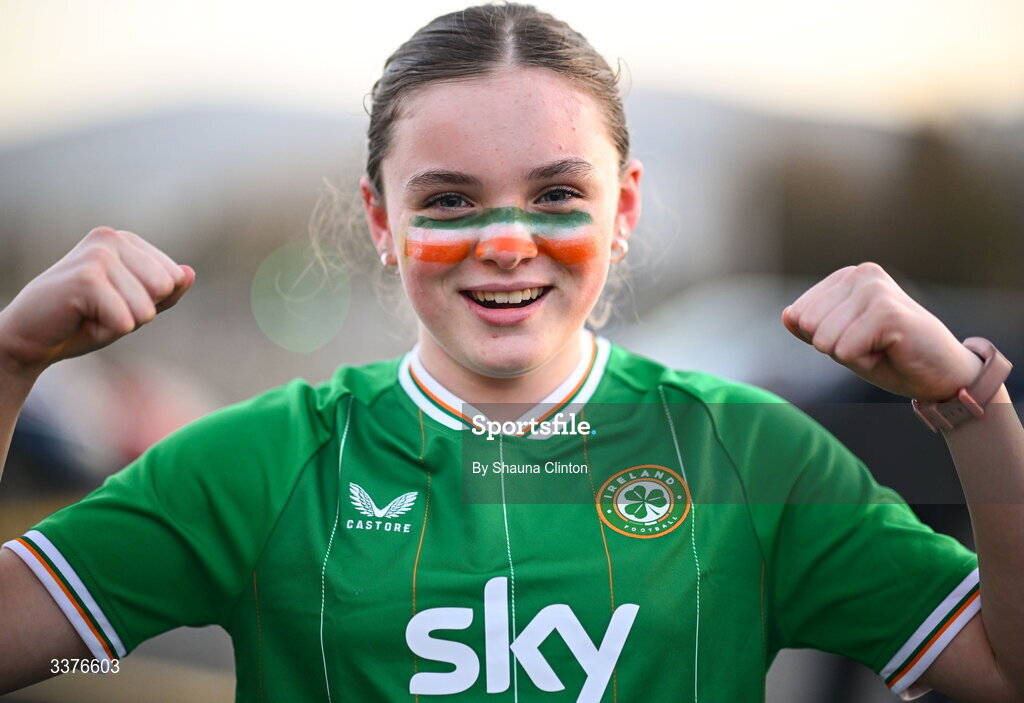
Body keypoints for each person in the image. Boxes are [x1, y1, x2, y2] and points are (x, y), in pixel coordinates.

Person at [0, 4, 1021, 701]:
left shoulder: (750, 455)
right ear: (381, 220)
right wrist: (10, 362)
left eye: (555, 195)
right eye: (447, 199)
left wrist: (970, 407)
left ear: (620, 209)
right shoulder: (260, 465)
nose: (502, 239)